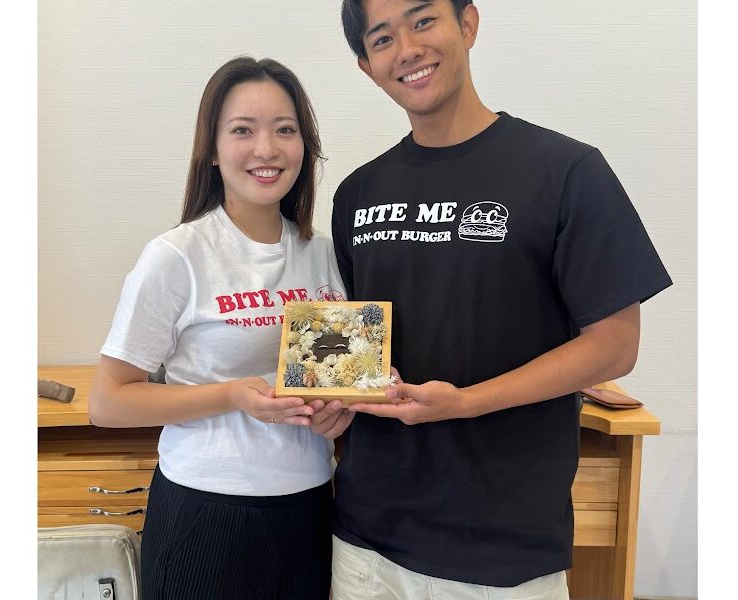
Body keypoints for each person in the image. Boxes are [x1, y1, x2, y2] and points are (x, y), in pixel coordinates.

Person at [308, 1, 673, 598]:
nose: (408, 48)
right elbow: (358, 350)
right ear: (367, 66)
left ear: (468, 23)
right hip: (367, 541)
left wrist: (466, 403)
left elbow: (614, 346)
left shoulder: (566, 171)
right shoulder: (358, 193)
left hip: (504, 551)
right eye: (383, 38)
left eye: (423, 21)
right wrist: (334, 403)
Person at [89, 56, 345, 600]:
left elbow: (330, 380)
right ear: (211, 148)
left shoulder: (322, 253)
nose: (266, 149)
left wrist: (337, 412)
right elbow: (108, 402)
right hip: (206, 511)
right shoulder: (177, 256)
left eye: (285, 130)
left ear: (305, 145)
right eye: (243, 131)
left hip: (310, 507)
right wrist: (231, 395)